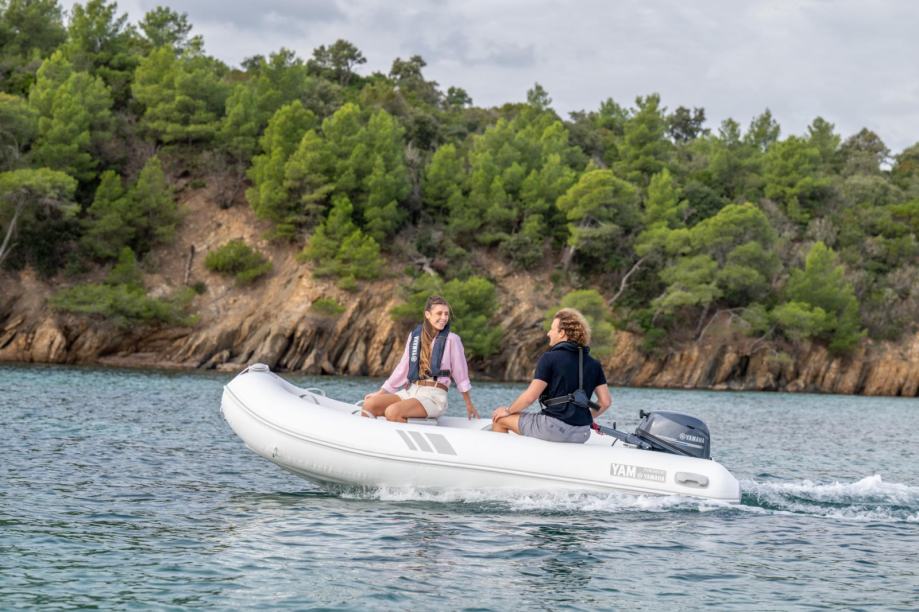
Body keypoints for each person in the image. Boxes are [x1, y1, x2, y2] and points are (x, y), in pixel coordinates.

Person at [491, 308, 611, 443]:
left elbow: (530, 398)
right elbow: (605, 402)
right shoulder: (594, 363)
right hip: (582, 433)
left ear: (562, 333)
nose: (548, 333)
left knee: (500, 420)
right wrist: (585, 418)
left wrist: (508, 411)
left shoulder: (549, 358)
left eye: (552, 329)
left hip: (553, 428)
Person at [363, 295, 479, 423]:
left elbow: (461, 374)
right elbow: (403, 368)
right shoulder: (415, 337)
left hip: (434, 397)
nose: (444, 318)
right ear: (428, 314)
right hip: (411, 391)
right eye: (439, 313)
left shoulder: (452, 340)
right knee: (370, 405)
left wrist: (469, 404)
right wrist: (381, 392)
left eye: (446, 314)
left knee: (392, 411)